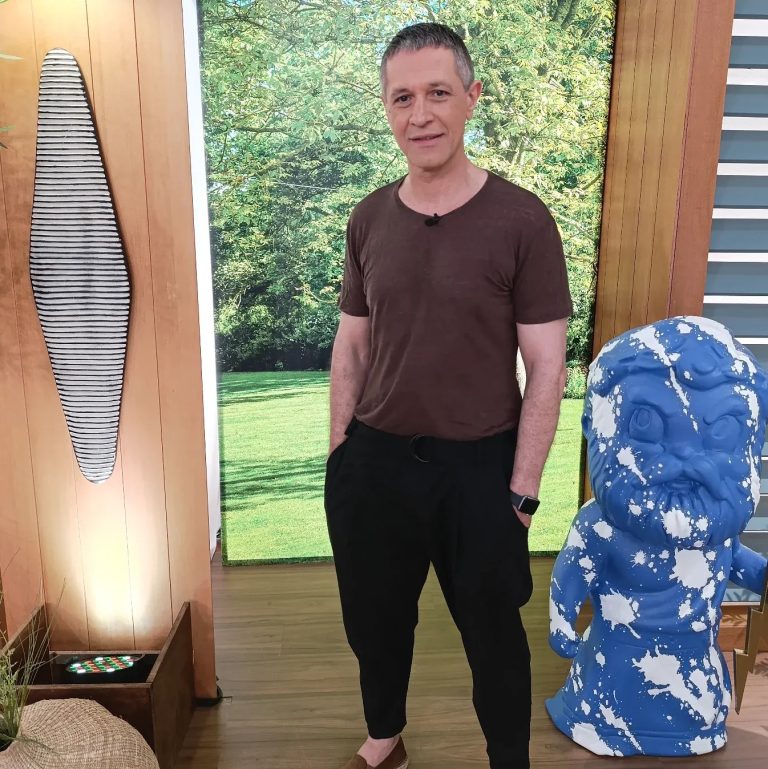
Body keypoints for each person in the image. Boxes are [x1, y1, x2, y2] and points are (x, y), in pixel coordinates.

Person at [324, 22, 572, 769]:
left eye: (437, 92)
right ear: (386, 107)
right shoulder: (369, 218)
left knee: (494, 635)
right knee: (375, 623)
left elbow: (548, 367)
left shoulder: (522, 219)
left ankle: (508, 760)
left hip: (480, 471)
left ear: (471, 97)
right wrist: (340, 456)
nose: (420, 114)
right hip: (375, 464)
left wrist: (521, 491)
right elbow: (352, 346)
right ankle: (385, 738)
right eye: (402, 97)